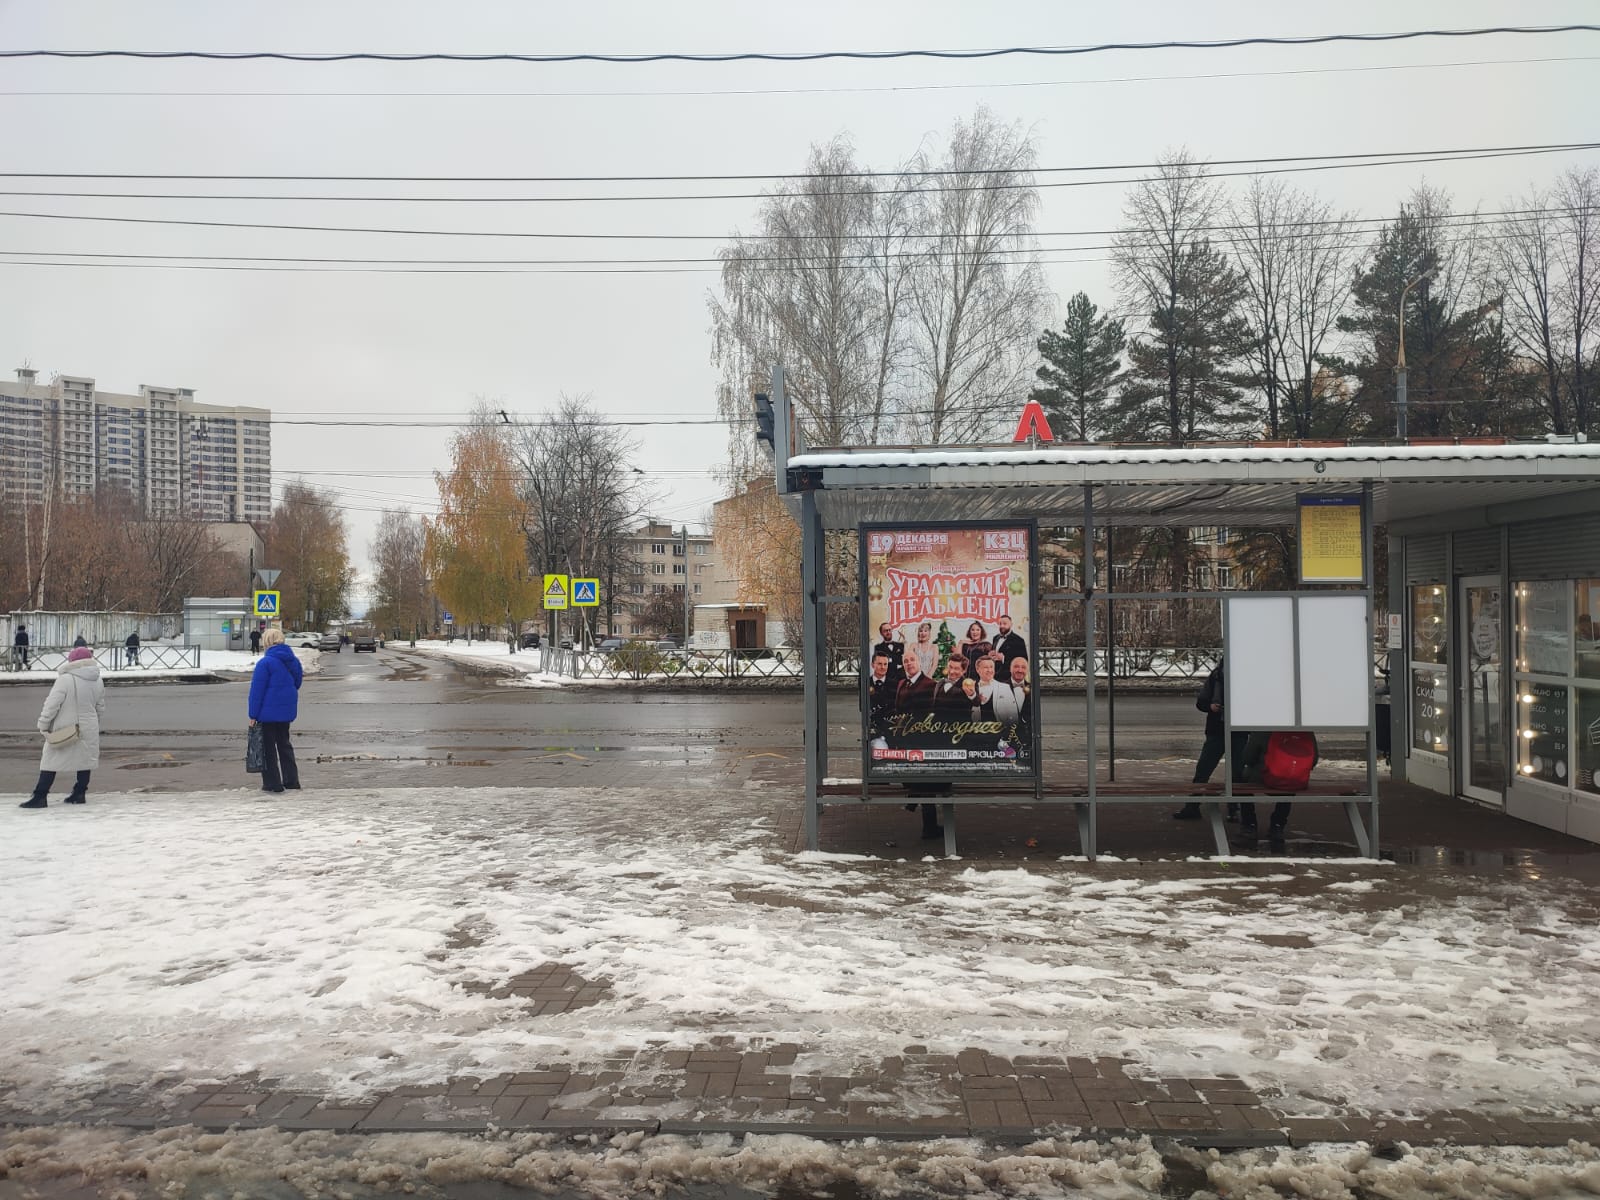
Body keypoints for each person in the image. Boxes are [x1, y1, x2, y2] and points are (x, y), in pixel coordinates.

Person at [21, 645, 105, 808]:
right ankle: (79, 793)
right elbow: (100, 707)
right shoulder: (98, 680)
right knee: (85, 760)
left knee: (50, 759)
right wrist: (93, 723)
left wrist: (44, 723)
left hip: (65, 728)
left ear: (72, 661)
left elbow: (52, 704)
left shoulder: (65, 679)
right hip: (89, 726)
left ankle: (40, 795)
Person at [1174, 658, 1246, 820]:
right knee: (1205, 770)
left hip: (1235, 731)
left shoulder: (1231, 677)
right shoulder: (1216, 677)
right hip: (1220, 730)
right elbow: (1201, 702)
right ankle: (1194, 806)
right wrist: (1210, 707)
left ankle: (1234, 808)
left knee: (1236, 772)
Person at [248, 627, 304, 794]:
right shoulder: (293, 661)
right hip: (286, 713)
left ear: (267, 642)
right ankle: (291, 781)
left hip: (266, 714)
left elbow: (257, 692)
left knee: (268, 749)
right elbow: (297, 683)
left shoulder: (265, 663)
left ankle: (273, 783)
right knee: (284, 745)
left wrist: (253, 715)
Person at [895, 647, 936, 714]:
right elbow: (897, 709)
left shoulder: (931, 684)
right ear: (903, 666)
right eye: (905, 661)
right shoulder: (901, 683)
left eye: (912, 660)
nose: (909, 663)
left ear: (919, 662)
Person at [866, 652, 895, 744]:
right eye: (879, 664)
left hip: (890, 729)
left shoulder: (894, 684)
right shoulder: (866, 683)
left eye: (885, 664)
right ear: (872, 665)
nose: (883, 667)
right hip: (872, 728)